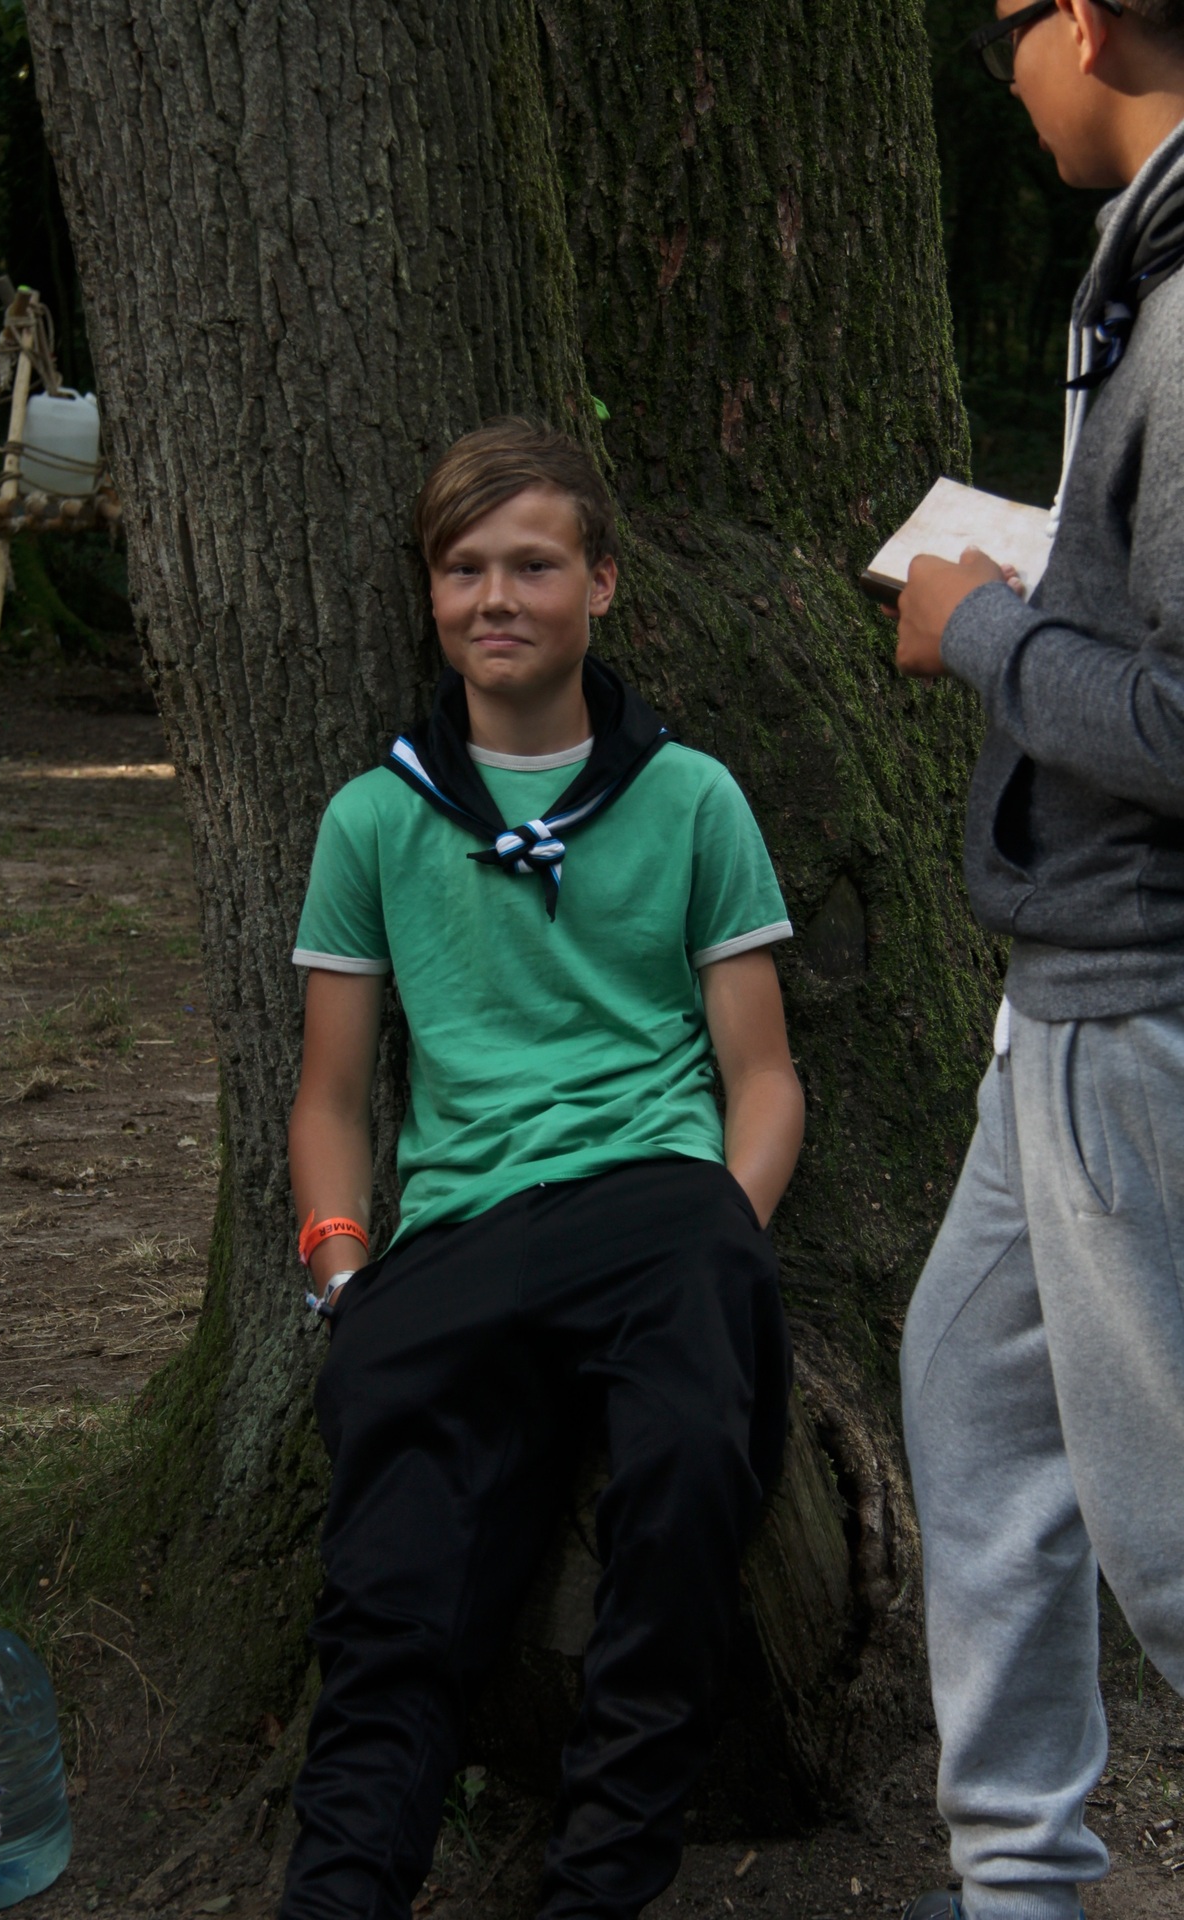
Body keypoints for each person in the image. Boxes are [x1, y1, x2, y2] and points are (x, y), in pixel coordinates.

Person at [279, 419, 804, 1920]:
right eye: (462, 568)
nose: (495, 597)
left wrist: (724, 1230)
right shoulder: (374, 818)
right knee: (392, 1601)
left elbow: (765, 1078)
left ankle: (600, 1885)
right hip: (459, 1233)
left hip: (658, 1207)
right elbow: (331, 1094)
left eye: (533, 564)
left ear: (603, 584)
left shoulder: (690, 797)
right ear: (430, 594)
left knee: (687, 1500)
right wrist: (342, 1271)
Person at [891, 0, 1184, 1915]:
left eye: (1003, 23)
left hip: (1140, 990)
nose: (1001, 70)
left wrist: (981, 630)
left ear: (1080, 18)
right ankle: (1020, 1888)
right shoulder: (1144, 265)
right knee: (973, 1397)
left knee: (1170, 1536)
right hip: (1065, 987)